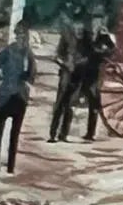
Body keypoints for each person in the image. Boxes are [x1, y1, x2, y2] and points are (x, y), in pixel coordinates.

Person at [48, 11, 112, 144]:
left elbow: (99, 53)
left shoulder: (93, 36)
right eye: (77, 25)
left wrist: (99, 53)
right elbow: (58, 55)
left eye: (81, 26)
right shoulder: (69, 37)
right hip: (69, 74)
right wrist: (66, 63)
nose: (79, 28)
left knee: (79, 103)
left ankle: (69, 134)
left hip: (86, 74)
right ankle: (54, 134)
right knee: (61, 104)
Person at [0, 24, 34, 174]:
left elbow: (32, 74)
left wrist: (27, 84)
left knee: (14, 136)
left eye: (23, 35)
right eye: (18, 35)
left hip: (19, 98)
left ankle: (11, 167)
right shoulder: (8, 51)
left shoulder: (28, 54)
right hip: (5, 96)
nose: (20, 38)